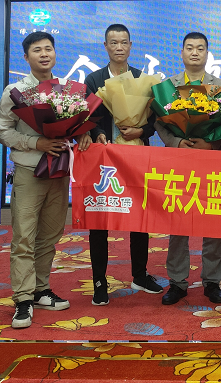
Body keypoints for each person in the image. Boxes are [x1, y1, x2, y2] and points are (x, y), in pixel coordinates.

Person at [0, 32, 92, 328]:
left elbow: (77, 124)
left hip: (59, 170)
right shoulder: (15, 91)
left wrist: (83, 133)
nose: (44, 54)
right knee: (24, 236)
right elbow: (2, 131)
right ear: (26, 57)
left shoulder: (68, 90)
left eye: (48, 49)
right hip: (29, 171)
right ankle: (23, 299)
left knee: (50, 235)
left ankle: (40, 289)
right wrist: (35, 143)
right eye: (37, 50)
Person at [82, 24, 163, 306]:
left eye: (124, 42)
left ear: (130, 46)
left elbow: (156, 118)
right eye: (113, 42)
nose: (119, 47)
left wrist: (142, 131)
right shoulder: (93, 79)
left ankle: (140, 275)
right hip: (104, 158)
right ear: (105, 46)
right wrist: (97, 133)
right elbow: (87, 115)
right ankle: (99, 281)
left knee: (140, 216)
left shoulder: (144, 79)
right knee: (100, 219)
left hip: (137, 154)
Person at [154, 32, 221, 306]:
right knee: (178, 223)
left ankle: (212, 281)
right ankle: (177, 282)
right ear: (182, 52)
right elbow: (159, 122)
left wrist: (211, 143)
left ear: (207, 53)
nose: (195, 52)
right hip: (179, 162)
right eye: (190, 48)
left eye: (200, 48)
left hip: (212, 163)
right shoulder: (167, 87)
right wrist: (177, 142)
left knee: (213, 222)